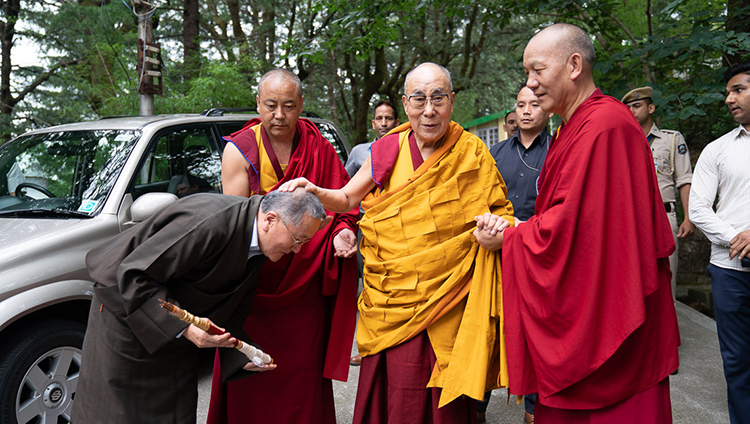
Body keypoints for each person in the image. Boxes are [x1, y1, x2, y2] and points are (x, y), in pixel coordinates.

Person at [280, 62, 515, 423]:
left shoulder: (471, 153)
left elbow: (502, 214)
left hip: (450, 296)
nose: (429, 110)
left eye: (438, 98)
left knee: (447, 402)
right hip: (393, 297)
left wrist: (496, 231)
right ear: (406, 103)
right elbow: (347, 199)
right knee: (395, 395)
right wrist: (316, 191)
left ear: (452, 102)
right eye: (419, 99)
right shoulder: (387, 149)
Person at [475, 23, 679, 422]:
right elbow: (568, 217)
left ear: (573, 65)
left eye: (537, 70)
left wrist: (513, 238)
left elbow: (581, 232)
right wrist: (517, 230)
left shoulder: (605, 127)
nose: (530, 85)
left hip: (614, 323)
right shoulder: (576, 126)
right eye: (527, 74)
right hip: (595, 304)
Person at [71, 189, 328, 424]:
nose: (296, 249)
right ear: (270, 220)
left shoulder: (260, 241)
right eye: (298, 239)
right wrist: (184, 329)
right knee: (116, 415)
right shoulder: (209, 223)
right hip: (128, 314)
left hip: (176, 327)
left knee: (176, 413)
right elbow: (135, 274)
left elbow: (233, 306)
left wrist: (241, 353)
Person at [207, 69, 358, 424]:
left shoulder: (317, 145)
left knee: (301, 375)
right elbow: (237, 226)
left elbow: (342, 204)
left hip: (303, 285)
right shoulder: (239, 151)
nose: (279, 115)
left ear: (301, 105)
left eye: (289, 106)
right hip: (254, 287)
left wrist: (342, 231)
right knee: (249, 374)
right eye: (271, 105)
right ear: (258, 104)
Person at [479, 85, 552, 423]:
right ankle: (477, 402)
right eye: (520, 105)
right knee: (489, 327)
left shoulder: (557, 151)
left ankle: (534, 408)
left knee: (536, 328)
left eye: (534, 104)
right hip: (495, 252)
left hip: (539, 251)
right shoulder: (494, 153)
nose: (526, 111)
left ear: (548, 110)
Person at [689, 61, 750, 424]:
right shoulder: (717, 149)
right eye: (728, 92)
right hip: (730, 271)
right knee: (738, 360)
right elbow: (698, 208)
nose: (729, 98)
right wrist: (739, 239)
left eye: (738, 89)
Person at [622, 86, 695, 298]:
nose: (632, 111)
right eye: (628, 108)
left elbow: (684, 179)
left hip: (664, 215)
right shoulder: (623, 141)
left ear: (651, 107)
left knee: (667, 277)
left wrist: (688, 218)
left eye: (637, 106)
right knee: (633, 280)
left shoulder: (671, 139)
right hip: (632, 219)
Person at [345, 99, 400, 367]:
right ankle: (365, 346)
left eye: (389, 118)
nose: (384, 123)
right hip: (365, 229)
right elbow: (345, 187)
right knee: (367, 287)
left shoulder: (405, 150)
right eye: (380, 118)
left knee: (392, 286)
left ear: (396, 122)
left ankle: (393, 343)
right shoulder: (359, 153)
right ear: (373, 123)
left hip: (396, 229)